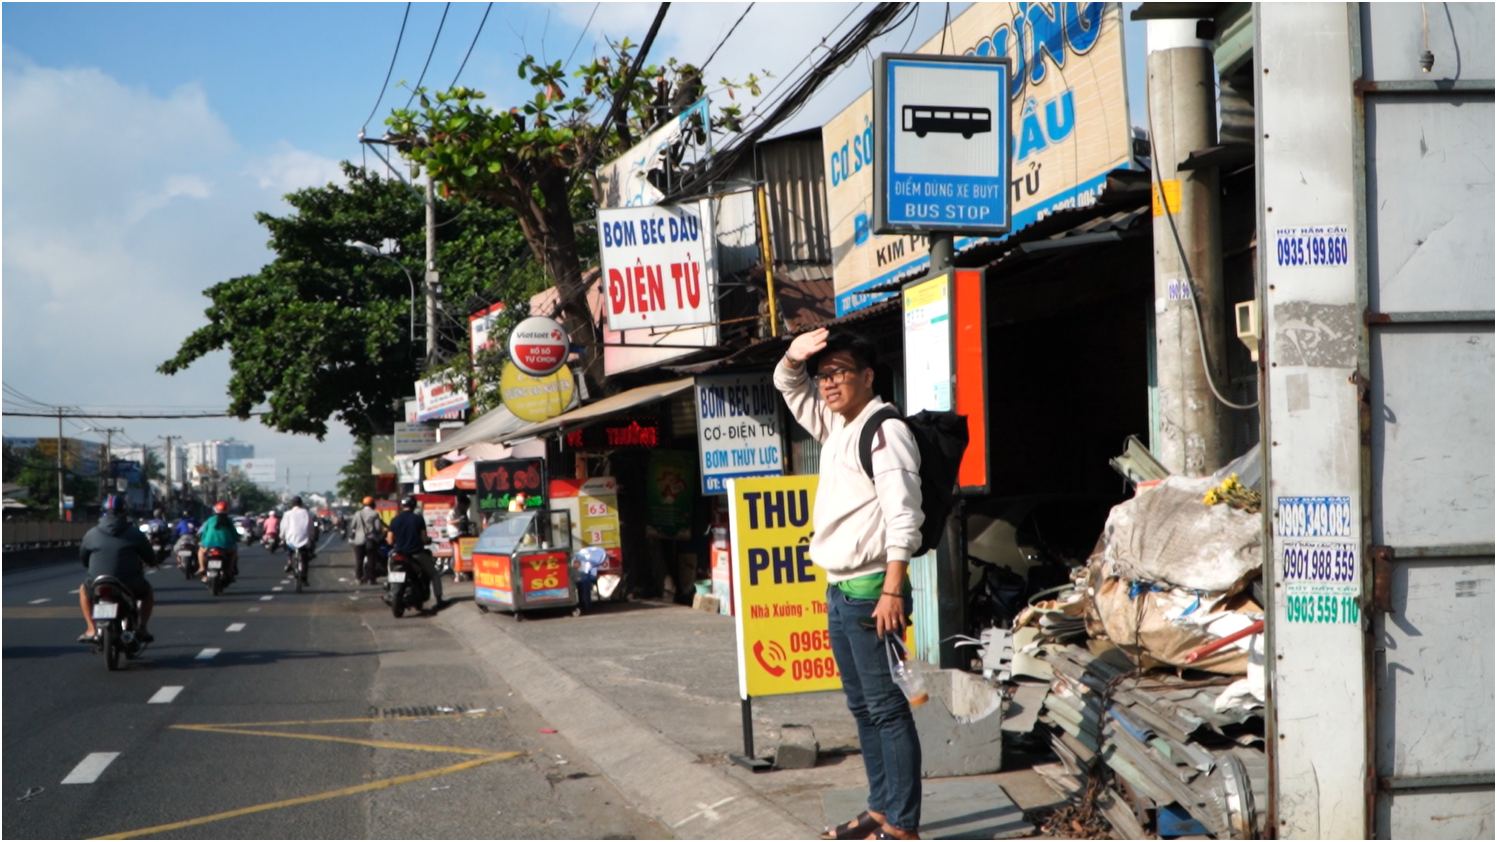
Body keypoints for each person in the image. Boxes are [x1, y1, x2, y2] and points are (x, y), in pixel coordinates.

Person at [777, 327, 924, 841]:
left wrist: (893, 590)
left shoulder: (884, 431)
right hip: (839, 590)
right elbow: (790, 388)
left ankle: (903, 826)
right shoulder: (838, 425)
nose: (828, 384)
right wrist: (796, 358)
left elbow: (904, 516)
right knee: (862, 706)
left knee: (887, 709)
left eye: (839, 372)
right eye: (824, 375)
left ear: (867, 376)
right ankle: (881, 809)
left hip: (869, 591)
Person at [78, 495, 155, 643]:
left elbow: (83, 558)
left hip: (98, 581)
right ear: (124, 512)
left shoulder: (91, 533)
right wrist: (152, 561)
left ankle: (91, 628)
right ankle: (142, 628)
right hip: (128, 582)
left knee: (83, 589)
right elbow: (149, 556)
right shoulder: (134, 533)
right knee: (147, 592)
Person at [387, 495, 445, 607]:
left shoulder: (394, 520)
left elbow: (390, 540)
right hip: (416, 554)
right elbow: (424, 538)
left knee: (390, 571)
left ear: (402, 506)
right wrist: (427, 541)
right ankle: (439, 599)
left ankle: (389, 592)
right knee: (434, 574)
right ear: (413, 505)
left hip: (399, 554)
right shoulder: (418, 519)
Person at [197, 501, 241, 581]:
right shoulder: (229, 521)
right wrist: (235, 539)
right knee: (234, 551)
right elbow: (233, 533)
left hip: (208, 544)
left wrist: (202, 541)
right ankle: (231, 569)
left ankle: (202, 567)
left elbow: (204, 532)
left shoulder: (210, 520)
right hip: (226, 545)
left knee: (201, 551)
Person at [349, 496, 387, 585]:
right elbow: (378, 528)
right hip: (371, 540)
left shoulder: (357, 513)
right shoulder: (375, 514)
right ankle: (371, 579)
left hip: (358, 540)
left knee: (359, 560)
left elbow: (352, 526)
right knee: (371, 560)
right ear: (372, 504)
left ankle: (358, 578)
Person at [281, 496, 317, 582]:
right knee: (305, 557)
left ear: (292, 504)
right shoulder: (306, 513)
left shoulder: (287, 514)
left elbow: (283, 528)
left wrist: (282, 537)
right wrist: (312, 537)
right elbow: (311, 528)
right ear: (301, 504)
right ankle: (304, 577)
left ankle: (289, 561)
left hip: (290, 540)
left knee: (287, 546)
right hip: (304, 541)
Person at [572, 545, 608, 614]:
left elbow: (591, 568)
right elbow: (576, 565)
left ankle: (587, 605)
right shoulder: (581, 555)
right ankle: (581, 604)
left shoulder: (594, 557)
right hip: (582, 574)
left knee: (585, 581)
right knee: (577, 580)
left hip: (590, 574)